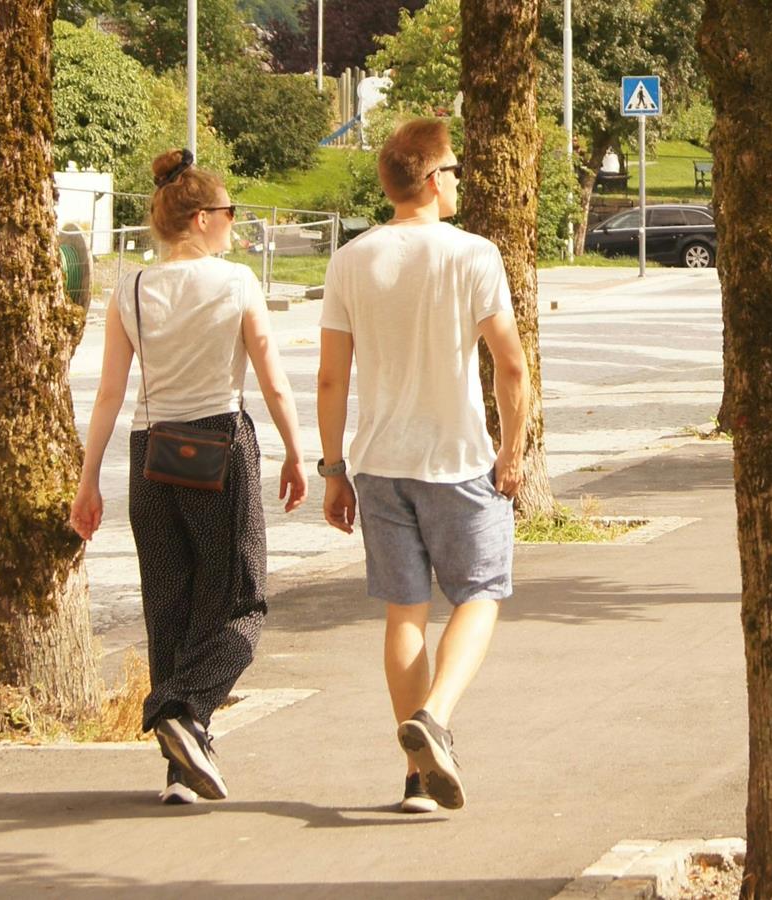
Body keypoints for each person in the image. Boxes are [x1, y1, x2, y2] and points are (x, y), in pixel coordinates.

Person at [70, 149, 308, 805]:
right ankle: (183, 707)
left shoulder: (132, 287)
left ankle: (184, 769)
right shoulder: (235, 283)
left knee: (169, 610)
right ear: (201, 218)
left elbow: (109, 394)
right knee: (239, 602)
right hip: (218, 447)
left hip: (151, 456)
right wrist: (297, 452)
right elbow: (272, 379)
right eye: (229, 212)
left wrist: (88, 480)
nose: (235, 223)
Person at [316, 119, 529, 813]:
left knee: (404, 613)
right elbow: (511, 365)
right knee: (480, 593)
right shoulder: (473, 254)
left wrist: (333, 468)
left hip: (379, 464)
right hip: (457, 459)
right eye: (455, 170)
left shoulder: (351, 258)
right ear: (434, 180)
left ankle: (416, 782)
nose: (459, 181)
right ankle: (434, 719)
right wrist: (513, 451)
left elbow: (329, 380)